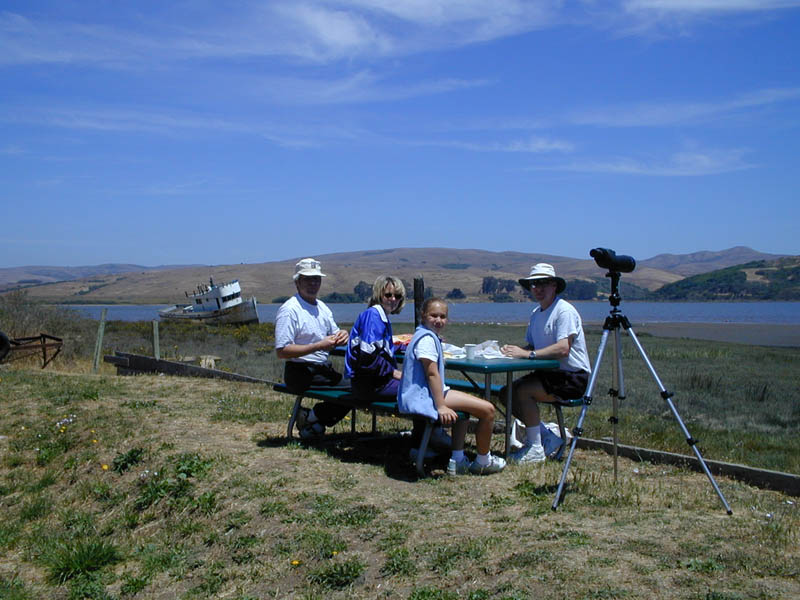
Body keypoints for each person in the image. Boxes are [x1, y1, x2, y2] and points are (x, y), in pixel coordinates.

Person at [344, 276, 451, 459]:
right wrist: (393, 372)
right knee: (420, 389)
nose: (393, 299)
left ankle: (423, 440)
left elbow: (382, 346)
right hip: (369, 384)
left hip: (367, 382)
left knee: (419, 386)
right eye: (388, 294)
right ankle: (426, 441)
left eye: (398, 296)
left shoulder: (378, 315)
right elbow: (368, 357)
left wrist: (405, 346)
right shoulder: (374, 316)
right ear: (379, 294)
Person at [398, 298, 506, 475]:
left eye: (443, 316)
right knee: (488, 410)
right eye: (434, 315)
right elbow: (432, 374)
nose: (438, 320)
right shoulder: (426, 340)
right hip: (424, 397)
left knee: (464, 411)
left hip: (420, 394)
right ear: (423, 315)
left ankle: (457, 460)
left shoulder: (424, 335)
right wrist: (441, 406)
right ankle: (483, 461)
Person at [500, 263, 591, 463]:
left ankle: (535, 448)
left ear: (554, 286)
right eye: (533, 285)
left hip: (571, 377)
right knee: (505, 393)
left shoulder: (564, 311)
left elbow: (562, 348)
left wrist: (529, 355)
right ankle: (545, 437)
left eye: (543, 284)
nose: (538, 289)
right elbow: (531, 345)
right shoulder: (536, 314)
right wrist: (512, 351)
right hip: (548, 374)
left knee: (523, 392)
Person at [275, 258, 350, 438]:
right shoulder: (290, 310)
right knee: (354, 389)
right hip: (299, 372)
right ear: (297, 282)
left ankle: (312, 422)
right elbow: (282, 351)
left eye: (316, 279)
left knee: (357, 386)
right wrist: (317, 346)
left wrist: (343, 335)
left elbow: (335, 333)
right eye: (307, 279)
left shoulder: (322, 307)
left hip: (321, 370)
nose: (312, 283)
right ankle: (312, 418)